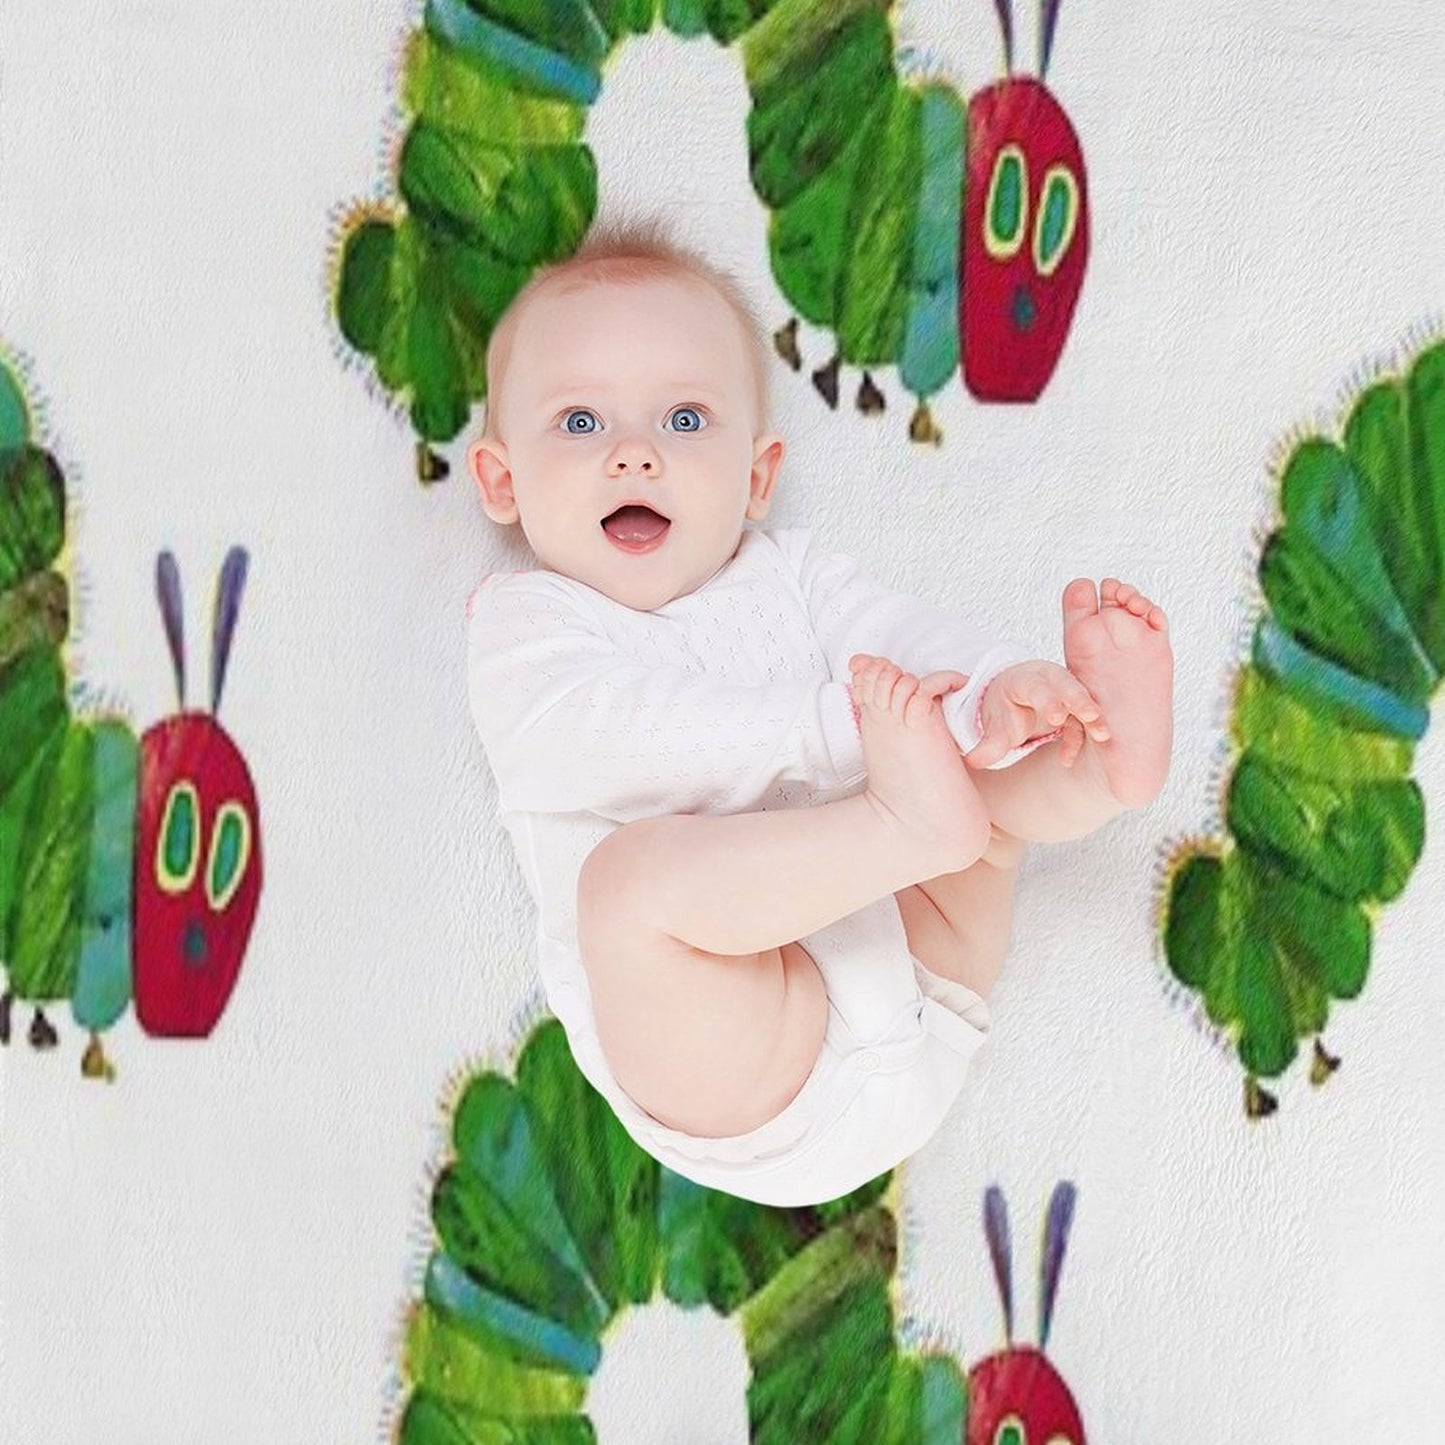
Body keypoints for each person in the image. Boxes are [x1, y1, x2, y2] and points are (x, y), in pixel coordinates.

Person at [464, 217, 1173, 1207]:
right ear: (501, 479)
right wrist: (849, 732)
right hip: (750, 1066)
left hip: (925, 972)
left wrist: (991, 690)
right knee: (624, 890)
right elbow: (621, 735)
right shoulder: (525, 624)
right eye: (580, 423)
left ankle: (1093, 762)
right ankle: (909, 819)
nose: (633, 455)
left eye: (683, 420)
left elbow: (904, 643)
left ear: (756, 475)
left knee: (976, 772)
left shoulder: (791, 576)